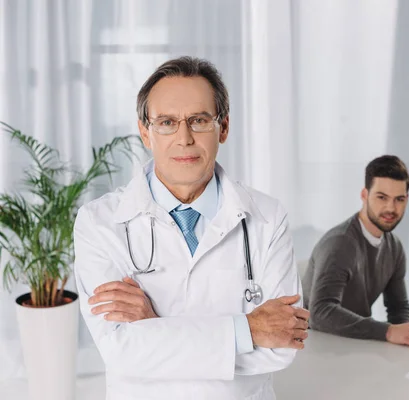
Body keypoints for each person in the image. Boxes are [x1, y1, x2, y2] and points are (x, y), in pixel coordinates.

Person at [73, 56, 309, 400]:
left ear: (223, 127)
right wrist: (249, 330)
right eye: (167, 122)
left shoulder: (268, 217)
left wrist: (155, 329)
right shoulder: (100, 223)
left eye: (198, 120)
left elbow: (283, 347)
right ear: (145, 132)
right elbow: (120, 350)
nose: (183, 138)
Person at [302, 155, 409, 347]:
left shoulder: (394, 247)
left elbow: (398, 307)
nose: (391, 208)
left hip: (356, 344)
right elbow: (320, 314)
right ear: (364, 195)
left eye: (399, 199)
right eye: (382, 197)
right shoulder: (340, 244)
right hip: (317, 344)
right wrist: (388, 331)